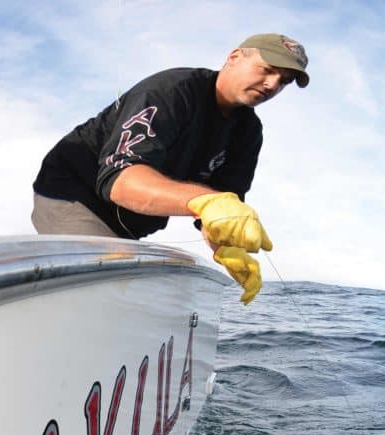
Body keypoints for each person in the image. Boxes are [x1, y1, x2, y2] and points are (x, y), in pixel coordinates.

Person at [31, 33, 309, 304]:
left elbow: (222, 212)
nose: (272, 84)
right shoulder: (171, 92)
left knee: (143, 301)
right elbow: (120, 181)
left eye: (282, 81)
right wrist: (206, 201)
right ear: (234, 57)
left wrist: (227, 247)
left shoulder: (248, 132)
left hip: (130, 223)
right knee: (106, 296)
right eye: (268, 70)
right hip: (74, 193)